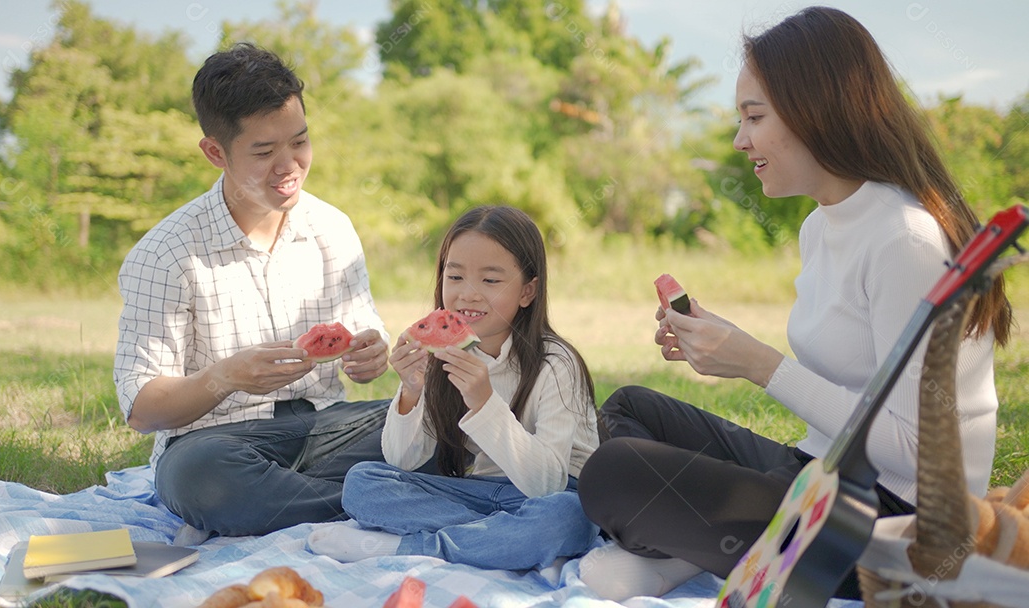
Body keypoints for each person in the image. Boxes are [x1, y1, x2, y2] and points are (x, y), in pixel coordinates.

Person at [575, 6, 1013, 602]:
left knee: (613, 474)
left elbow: (916, 452)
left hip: (892, 516)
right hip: (815, 474)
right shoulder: (820, 227)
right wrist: (723, 344)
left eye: (754, 116)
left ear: (819, 111)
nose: (739, 139)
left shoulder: (905, 238)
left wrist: (758, 364)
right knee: (630, 406)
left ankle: (688, 557)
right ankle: (703, 555)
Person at [113, 42, 397, 540]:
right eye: (264, 152)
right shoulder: (166, 254)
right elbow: (143, 409)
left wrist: (373, 352)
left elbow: (363, 332)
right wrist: (225, 377)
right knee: (200, 480)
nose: (288, 166)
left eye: (300, 142)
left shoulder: (332, 229)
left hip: (327, 428)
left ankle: (337, 502)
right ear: (215, 152)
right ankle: (382, 501)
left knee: (437, 419)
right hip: (216, 443)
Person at [306, 205, 601, 571]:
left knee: (564, 519)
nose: (468, 295)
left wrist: (485, 404)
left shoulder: (557, 363)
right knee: (364, 482)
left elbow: (548, 484)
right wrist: (412, 390)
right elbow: (403, 461)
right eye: (455, 277)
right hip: (475, 494)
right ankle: (498, 541)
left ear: (528, 291)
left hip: (555, 494)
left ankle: (409, 545)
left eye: (491, 281)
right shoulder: (442, 352)